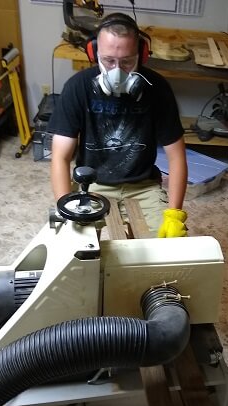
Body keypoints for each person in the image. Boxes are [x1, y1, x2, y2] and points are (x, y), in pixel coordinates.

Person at [47, 12, 189, 237]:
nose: (116, 71)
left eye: (126, 62)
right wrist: (66, 209)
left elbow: (177, 157)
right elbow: (60, 156)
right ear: (94, 54)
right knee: (77, 251)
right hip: (93, 186)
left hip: (144, 187)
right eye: (108, 61)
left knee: (166, 253)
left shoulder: (157, 89)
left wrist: (174, 214)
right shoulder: (78, 87)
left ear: (141, 55)